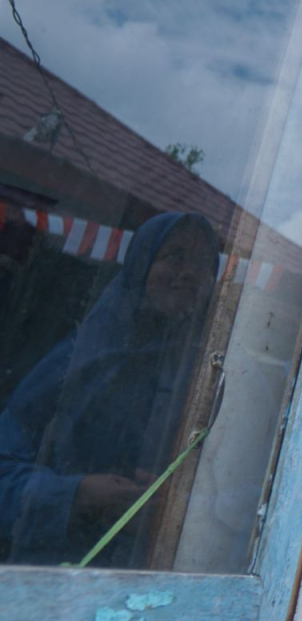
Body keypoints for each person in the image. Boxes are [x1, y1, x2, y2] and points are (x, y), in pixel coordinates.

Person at [0, 212, 219, 566]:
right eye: (175, 256)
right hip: (50, 576)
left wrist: (181, 503)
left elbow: (243, 493)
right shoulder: (80, 357)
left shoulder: (213, 373)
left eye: (203, 263)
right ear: (139, 266)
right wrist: (76, 495)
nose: (190, 272)